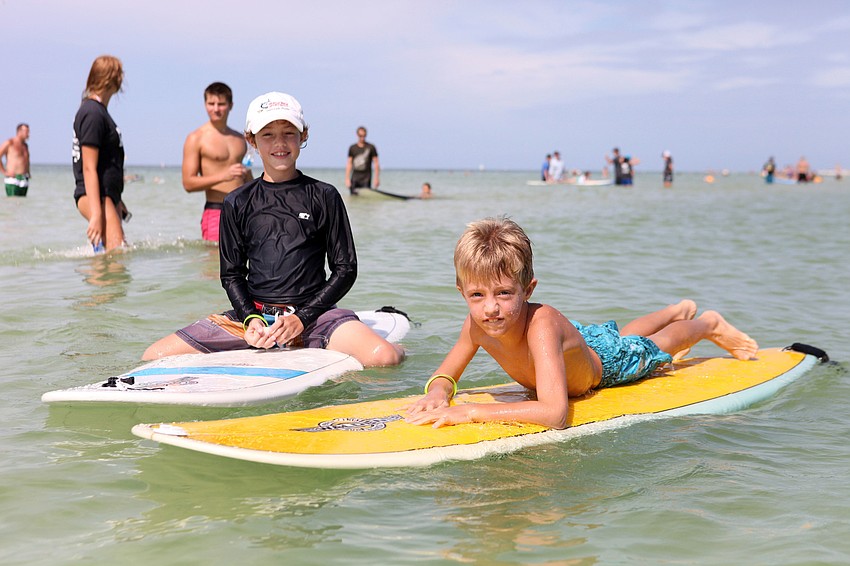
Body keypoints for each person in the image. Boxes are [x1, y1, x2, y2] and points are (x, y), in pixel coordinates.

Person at [406, 217, 759, 430]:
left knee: (652, 348)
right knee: (620, 335)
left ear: (528, 289)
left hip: (605, 366)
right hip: (576, 342)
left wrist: (470, 412)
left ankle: (705, 323)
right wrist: (439, 392)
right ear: (461, 292)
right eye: (477, 295)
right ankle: (673, 309)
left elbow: (555, 413)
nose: (491, 308)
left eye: (504, 293)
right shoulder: (477, 324)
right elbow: (447, 373)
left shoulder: (539, 326)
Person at [142, 92, 404, 368]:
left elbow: (345, 269)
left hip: (315, 317)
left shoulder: (324, 195)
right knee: (154, 355)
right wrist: (250, 319)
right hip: (255, 320)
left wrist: (300, 319)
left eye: (289, 133)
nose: (280, 143)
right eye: (267, 135)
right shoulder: (236, 201)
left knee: (384, 358)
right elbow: (231, 274)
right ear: (251, 140)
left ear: (303, 135)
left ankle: (396, 347)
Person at [182, 82, 253, 243]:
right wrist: (224, 175)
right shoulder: (196, 138)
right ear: (205, 104)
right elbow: (188, 183)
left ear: (230, 105)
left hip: (243, 211)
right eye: (211, 104)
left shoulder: (240, 139)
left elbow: (247, 177)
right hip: (216, 210)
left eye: (221, 104)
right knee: (214, 266)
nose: (215, 109)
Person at [72, 55, 129, 253]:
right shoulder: (93, 113)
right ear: (110, 78)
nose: (121, 79)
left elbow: (107, 162)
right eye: (119, 74)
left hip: (106, 196)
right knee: (117, 255)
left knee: (112, 256)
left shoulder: (99, 111)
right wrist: (97, 214)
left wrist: (116, 198)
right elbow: (88, 167)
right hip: (96, 197)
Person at [345, 126, 380, 195]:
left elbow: (376, 163)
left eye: (364, 136)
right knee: (353, 197)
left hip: (366, 178)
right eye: (360, 136)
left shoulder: (371, 147)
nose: (362, 138)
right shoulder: (352, 148)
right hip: (355, 177)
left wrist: (377, 178)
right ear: (357, 135)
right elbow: (349, 163)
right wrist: (347, 179)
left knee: (365, 197)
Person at [1, 123, 31, 197]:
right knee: (13, 203)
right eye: (26, 132)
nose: (28, 134)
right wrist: (4, 172)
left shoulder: (25, 146)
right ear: (19, 132)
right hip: (13, 179)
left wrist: (28, 172)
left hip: (24, 179)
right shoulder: (10, 142)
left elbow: (26, 161)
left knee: (23, 203)